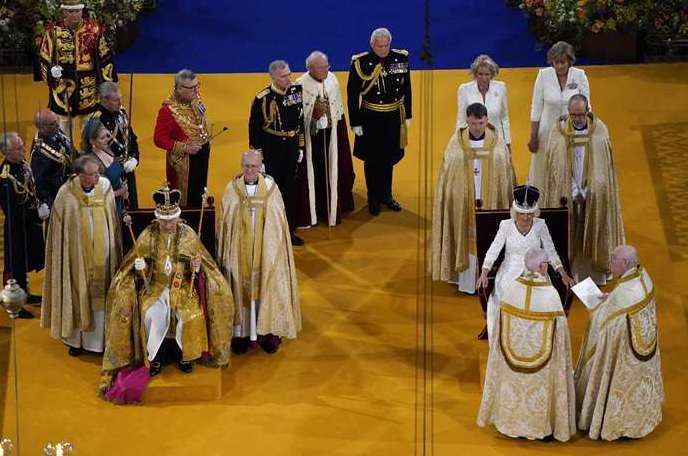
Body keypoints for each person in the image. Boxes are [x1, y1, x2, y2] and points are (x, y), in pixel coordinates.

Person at [100, 185, 234, 389]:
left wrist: (195, 267)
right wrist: (139, 269)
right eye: (164, 220)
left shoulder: (188, 234)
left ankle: (185, 356)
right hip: (155, 287)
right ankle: (156, 357)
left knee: (189, 315)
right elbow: (132, 266)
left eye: (172, 219)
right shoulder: (149, 235)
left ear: (178, 217)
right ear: (158, 219)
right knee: (152, 314)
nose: (168, 224)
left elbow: (205, 264)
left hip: (184, 288)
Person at [477, 247, 576, 442]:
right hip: (542, 365)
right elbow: (561, 334)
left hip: (512, 360)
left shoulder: (511, 290)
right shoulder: (550, 295)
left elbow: (498, 327)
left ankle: (509, 421)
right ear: (541, 266)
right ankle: (541, 426)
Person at [216, 150, 301, 355]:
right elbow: (225, 224)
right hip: (240, 251)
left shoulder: (271, 189)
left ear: (261, 166)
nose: (250, 170)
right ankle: (241, 333)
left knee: (266, 283)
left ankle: (267, 333)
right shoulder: (231, 190)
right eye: (246, 166)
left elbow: (278, 222)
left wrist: (271, 249)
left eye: (254, 166)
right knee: (238, 283)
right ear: (241, 166)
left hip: (265, 250)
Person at [575, 245, 663, 440]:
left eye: (613, 259)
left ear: (624, 263)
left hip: (622, 351)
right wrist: (609, 299)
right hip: (640, 356)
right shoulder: (642, 276)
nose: (609, 262)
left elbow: (604, 324)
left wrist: (596, 308)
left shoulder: (624, 293)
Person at [41, 154, 122, 356]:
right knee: (77, 291)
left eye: (98, 172)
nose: (97, 177)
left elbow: (112, 220)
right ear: (79, 174)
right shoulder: (66, 195)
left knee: (101, 295)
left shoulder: (104, 187)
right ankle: (76, 341)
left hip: (104, 256)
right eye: (92, 174)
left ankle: (99, 343)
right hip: (76, 257)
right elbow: (60, 234)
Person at [542, 94, 624, 284]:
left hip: (593, 193)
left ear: (588, 111)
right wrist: (573, 191)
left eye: (580, 114)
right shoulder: (558, 132)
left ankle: (593, 276)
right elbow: (556, 167)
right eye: (573, 114)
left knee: (592, 225)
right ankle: (567, 275)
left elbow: (603, 169)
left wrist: (587, 192)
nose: (577, 118)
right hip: (567, 191)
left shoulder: (599, 131)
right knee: (568, 230)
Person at [431, 102, 512, 293]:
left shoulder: (497, 142)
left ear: (487, 120)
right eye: (474, 123)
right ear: (467, 120)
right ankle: (467, 283)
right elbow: (448, 174)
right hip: (463, 201)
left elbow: (505, 173)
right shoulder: (456, 142)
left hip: (490, 200)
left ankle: (491, 279)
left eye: (481, 123)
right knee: (466, 238)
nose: (477, 128)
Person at [477, 185, 573, 338]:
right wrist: (484, 272)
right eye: (522, 213)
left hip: (537, 271)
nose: (526, 218)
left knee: (543, 297)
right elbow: (493, 250)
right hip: (510, 272)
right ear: (515, 212)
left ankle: (537, 336)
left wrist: (563, 273)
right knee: (509, 295)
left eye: (530, 214)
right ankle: (511, 336)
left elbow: (550, 250)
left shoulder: (540, 225)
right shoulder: (505, 226)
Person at [347, 27, 412, 216]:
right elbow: (352, 94)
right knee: (372, 159)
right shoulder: (361, 63)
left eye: (386, 45)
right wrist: (355, 122)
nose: (383, 49)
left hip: (393, 117)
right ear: (372, 44)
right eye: (379, 46)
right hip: (371, 118)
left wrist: (407, 115)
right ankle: (373, 197)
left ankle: (386, 195)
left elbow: (407, 88)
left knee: (389, 157)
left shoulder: (400, 59)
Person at [35, 0, 117, 138]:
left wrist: (107, 85)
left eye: (77, 11)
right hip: (63, 88)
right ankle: (64, 155)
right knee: (61, 128)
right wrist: (51, 75)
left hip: (89, 88)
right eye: (71, 12)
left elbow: (105, 58)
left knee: (92, 129)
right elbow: (44, 58)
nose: (75, 15)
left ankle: (91, 156)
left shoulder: (94, 30)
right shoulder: (52, 32)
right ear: (64, 12)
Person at [295, 51, 355, 226]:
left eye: (326, 66)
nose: (325, 70)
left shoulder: (333, 79)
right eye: (320, 67)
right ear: (310, 68)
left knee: (335, 169)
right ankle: (314, 212)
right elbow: (300, 118)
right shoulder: (300, 85)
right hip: (313, 140)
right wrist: (313, 116)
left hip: (332, 134)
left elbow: (338, 108)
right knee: (316, 175)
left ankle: (334, 207)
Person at [248, 60, 305, 245]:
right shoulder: (262, 99)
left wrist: (300, 147)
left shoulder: (297, 92)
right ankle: (271, 230)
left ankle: (289, 229)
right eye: (284, 76)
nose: (289, 78)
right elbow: (254, 129)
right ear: (272, 77)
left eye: (289, 74)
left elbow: (300, 120)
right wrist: (259, 156)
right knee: (271, 191)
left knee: (290, 189)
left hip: (291, 147)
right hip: (272, 149)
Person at [528, 41, 590, 190]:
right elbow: (536, 108)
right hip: (547, 133)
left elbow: (587, 106)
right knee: (543, 172)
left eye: (563, 62)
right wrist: (533, 136)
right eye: (556, 62)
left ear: (570, 61)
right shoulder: (543, 76)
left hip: (573, 132)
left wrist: (586, 133)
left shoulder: (580, 76)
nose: (560, 66)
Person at [0, 133, 45, 310]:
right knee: (15, 263)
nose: (23, 150)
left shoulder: (22, 165)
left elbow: (31, 190)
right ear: (7, 152)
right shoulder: (5, 177)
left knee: (25, 261)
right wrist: (36, 214)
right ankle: (14, 305)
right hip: (16, 227)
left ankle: (25, 293)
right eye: (19, 148)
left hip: (29, 225)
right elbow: (12, 210)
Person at [153, 69, 211, 208]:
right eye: (192, 88)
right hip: (182, 163)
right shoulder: (168, 111)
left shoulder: (194, 98)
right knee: (184, 199)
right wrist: (185, 147)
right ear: (178, 88)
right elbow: (159, 138)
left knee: (198, 193)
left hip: (200, 156)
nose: (196, 91)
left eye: (197, 86)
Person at [89, 81, 140, 208]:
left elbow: (131, 138)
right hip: (110, 173)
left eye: (120, 99)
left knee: (132, 207)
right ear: (104, 100)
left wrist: (135, 158)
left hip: (128, 168)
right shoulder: (96, 120)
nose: (120, 103)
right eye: (116, 100)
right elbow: (92, 150)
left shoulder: (121, 113)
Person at [457, 55, 511, 151]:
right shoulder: (464, 89)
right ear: (475, 74)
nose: (484, 78)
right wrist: (459, 143)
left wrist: (507, 142)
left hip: (497, 141)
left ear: (492, 75)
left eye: (487, 74)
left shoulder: (501, 87)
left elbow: (504, 117)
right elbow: (461, 119)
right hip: (472, 141)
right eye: (480, 74)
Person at [82, 117, 129, 215]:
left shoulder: (107, 150)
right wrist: (120, 191)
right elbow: (93, 196)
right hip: (103, 211)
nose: (106, 140)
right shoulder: (90, 162)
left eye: (107, 136)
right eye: (102, 138)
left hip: (117, 204)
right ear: (92, 141)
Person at [29, 109, 74, 212]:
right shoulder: (40, 152)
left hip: (69, 190)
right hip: (56, 197)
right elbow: (40, 181)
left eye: (56, 121)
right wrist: (48, 203)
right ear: (42, 128)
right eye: (53, 124)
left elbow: (69, 151)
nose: (58, 125)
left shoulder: (56, 132)